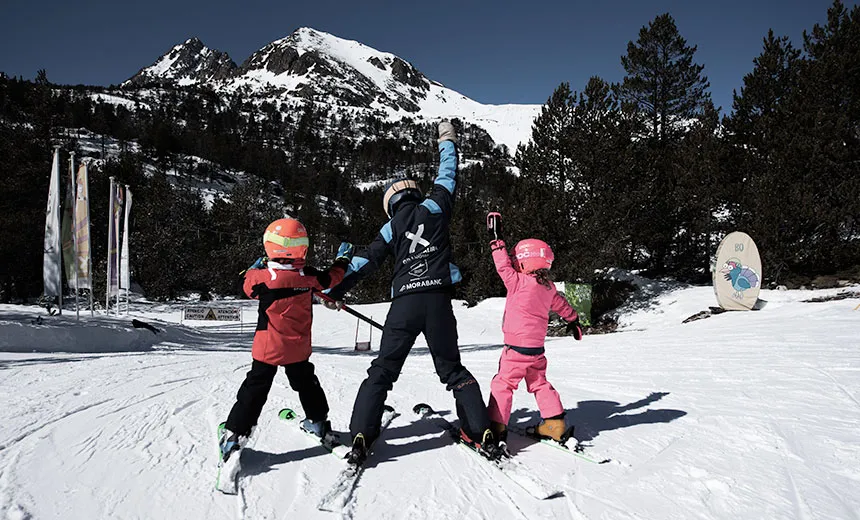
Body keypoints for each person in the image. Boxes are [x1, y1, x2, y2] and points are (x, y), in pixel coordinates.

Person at [324, 121, 503, 464]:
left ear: (391, 204)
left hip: (403, 304)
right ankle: (480, 431)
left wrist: (334, 289)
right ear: (416, 194)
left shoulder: (391, 227)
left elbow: (363, 262)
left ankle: (361, 434)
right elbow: (448, 172)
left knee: (383, 371)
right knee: (453, 372)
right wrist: (447, 139)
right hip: (438, 301)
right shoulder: (436, 206)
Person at [218, 217, 354, 462]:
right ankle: (319, 422)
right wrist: (343, 260)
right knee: (306, 384)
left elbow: (245, 285)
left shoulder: (263, 277)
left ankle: (234, 435)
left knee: (256, 388)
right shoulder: (309, 276)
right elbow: (332, 278)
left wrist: (252, 267)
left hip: (268, 347)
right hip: (298, 347)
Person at [485, 212, 583, 446]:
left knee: (504, 383)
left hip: (516, 349)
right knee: (539, 382)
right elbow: (562, 305)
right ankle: (555, 424)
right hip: (536, 350)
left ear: (522, 261)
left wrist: (496, 239)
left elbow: (502, 265)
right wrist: (574, 320)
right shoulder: (548, 287)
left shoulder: (516, 281)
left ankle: (496, 428)